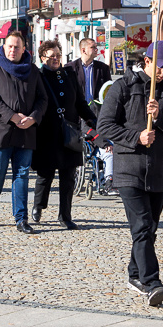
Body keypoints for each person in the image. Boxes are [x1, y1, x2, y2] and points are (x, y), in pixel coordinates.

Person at [96, 41, 163, 307]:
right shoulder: (123, 86)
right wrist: (136, 136)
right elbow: (105, 126)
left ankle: (135, 274)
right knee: (143, 227)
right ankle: (152, 283)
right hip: (130, 170)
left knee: (150, 230)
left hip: (159, 170)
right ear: (147, 61)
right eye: (160, 66)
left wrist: (159, 118)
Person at [0, 31, 48, 234]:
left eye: (17, 47)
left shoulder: (33, 70)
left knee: (22, 174)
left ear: (24, 49)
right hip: (2, 130)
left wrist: (33, 117)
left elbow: (42, 99)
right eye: (9, 46)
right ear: (3, 46)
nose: (12, 50)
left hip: (26, 130)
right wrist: (12, 116)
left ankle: (21, 218)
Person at [32, 40, 96, 230]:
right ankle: (38, 205)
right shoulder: (38, 76)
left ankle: (65, 215)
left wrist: (92, 120)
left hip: (69, 133)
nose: (56, 59)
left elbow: (80, 102)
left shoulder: (69, 74)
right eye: (52, 56)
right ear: (43, 57)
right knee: (45, 174)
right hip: (46, 133)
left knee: (68, 177)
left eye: (58, 55)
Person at [66, 37, 116, 193]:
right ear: (83, 50)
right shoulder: (70, 68)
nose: (97, 49)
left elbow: (108, 91)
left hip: (97, 113)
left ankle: (105, 177)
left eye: (96, 46)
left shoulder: (102, 68)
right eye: (93, 47)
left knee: (102, 136)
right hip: (76, 113)